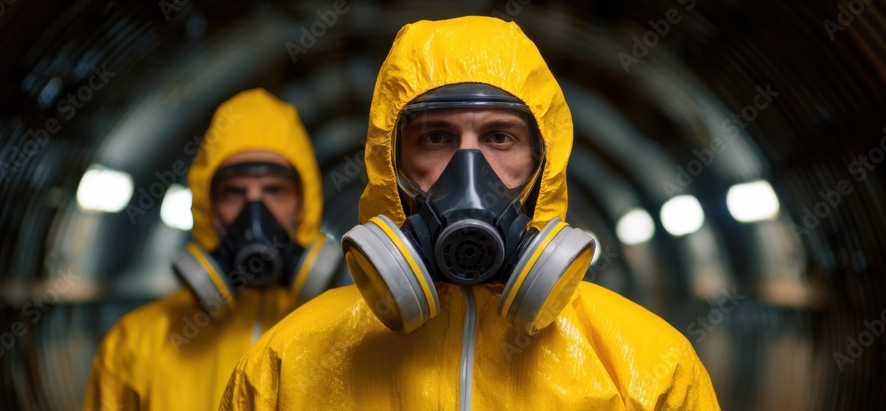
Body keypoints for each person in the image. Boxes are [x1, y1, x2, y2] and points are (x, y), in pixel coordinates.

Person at [220, 17, 720, 410]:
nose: (469, 172)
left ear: (543, 161)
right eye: (435, 138)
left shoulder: (652, 368)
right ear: (390, 161)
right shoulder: (286, 365)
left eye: (500, 137)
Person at [83, 88, 341, 410]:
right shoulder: (134, 345)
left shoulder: (347, 335)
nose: (255, 215)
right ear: (208, 208)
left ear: (305, 205)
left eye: (275, 190)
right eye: (234, 192)